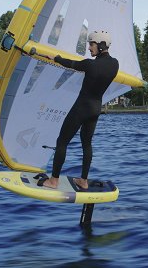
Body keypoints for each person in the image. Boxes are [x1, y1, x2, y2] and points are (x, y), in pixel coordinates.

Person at [40, 30, 119, 190]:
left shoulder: (90, 65)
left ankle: (53, 181)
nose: (89, 48)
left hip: (82, 107)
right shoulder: (115, 64)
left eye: (91, 44)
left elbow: (70, 63)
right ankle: (83, 181)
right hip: (96, 109)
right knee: (87, 144)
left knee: (62, 141)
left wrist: (55, 57)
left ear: (101, 45)